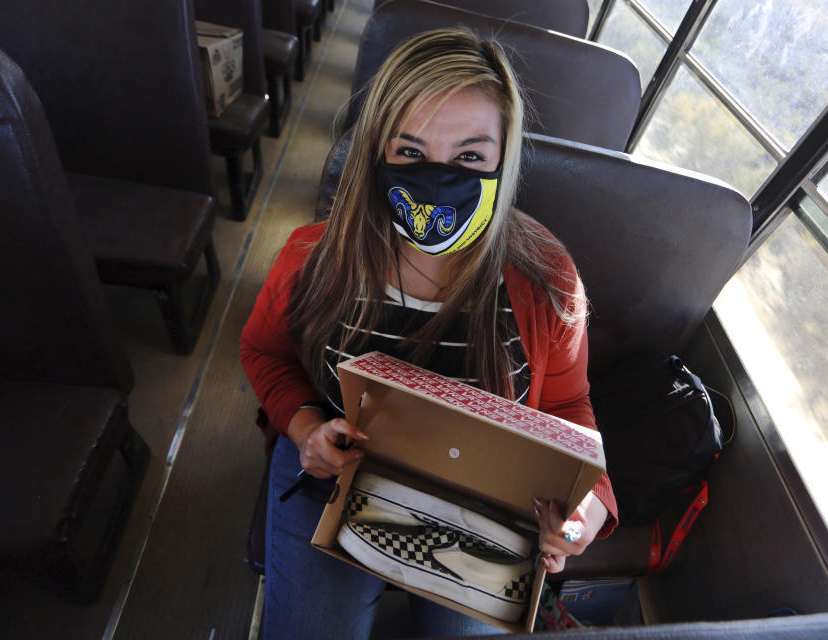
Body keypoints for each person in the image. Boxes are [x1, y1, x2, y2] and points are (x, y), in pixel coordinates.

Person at [240, 27, 618, 639]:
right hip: (333, 476)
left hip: (484, 500)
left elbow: (569, 407)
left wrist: (586, 508)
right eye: (411, 153)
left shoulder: (544, 278)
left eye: (469, 157)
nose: (438, 179)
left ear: (503, 158)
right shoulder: (314, 257)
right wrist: (306, 428)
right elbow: (264, 351)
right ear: (376, 152)